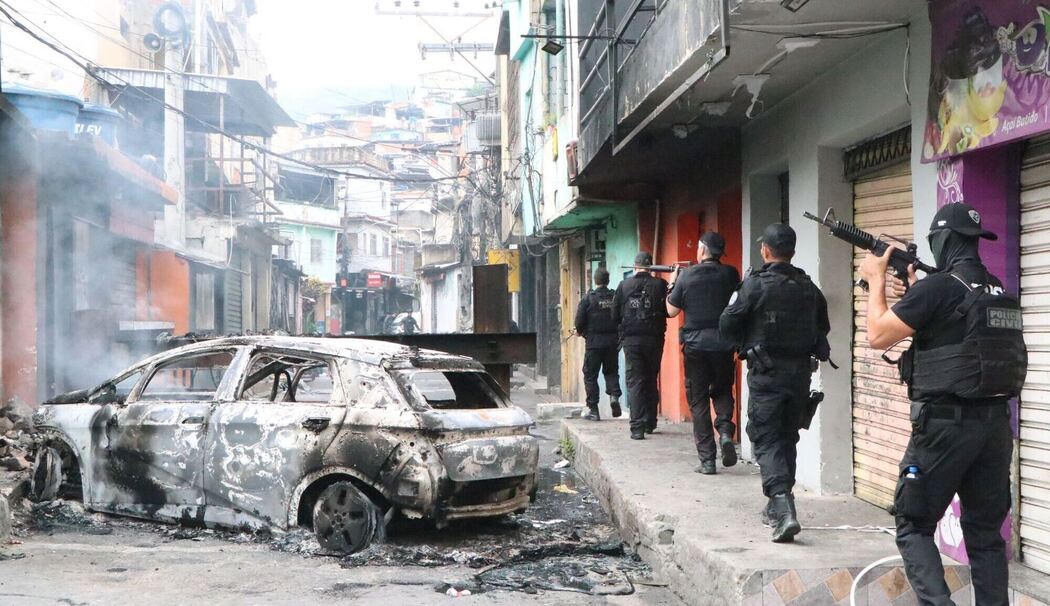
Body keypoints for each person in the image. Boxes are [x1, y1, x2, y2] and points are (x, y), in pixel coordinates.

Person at [859, 203, 1025, 606]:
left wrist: (875, 279)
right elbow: (955, 330)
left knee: (913, 524)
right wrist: (916, 290)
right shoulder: (996, 289)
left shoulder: (938, 289)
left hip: (944, 428)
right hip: (994, 428)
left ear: (941, 240)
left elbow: (878, 335)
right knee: (985, 535)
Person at [719, 224, 830, 543]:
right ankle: (777, 506)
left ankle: (783, 508)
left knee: (766, 439)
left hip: (767, 375)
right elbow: (823, 327)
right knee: (787, 437)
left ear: (765, 250)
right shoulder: (809, 287)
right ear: (792, 251)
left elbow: (727, 325)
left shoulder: (754, 285)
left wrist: (745, 338)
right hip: (799, 376)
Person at [667, 232, 741, 475]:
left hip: (696, 347)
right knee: (723, 390)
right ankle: (726, 431)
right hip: (724, 344)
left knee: (698, 401)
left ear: (701, 250)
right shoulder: (731, 274)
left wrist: (672, 284)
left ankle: (708, 460)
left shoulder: (686, 276)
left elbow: (671, 311)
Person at [613, 251, 669, 440]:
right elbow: (668, 310)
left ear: (635, 266)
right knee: (651, 378)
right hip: (654, 340)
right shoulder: (660, 285)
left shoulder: (624, 285)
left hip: (631, 341)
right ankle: (650, 422)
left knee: (635, 381)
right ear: (651, 266)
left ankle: (637, 428)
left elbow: (614, 314)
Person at [574, 267, 623, 421]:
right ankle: (614, 396)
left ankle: (594, 410)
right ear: (608, 281)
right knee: (611, 372)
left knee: (590, 375)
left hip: (593, 344)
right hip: (612, 343)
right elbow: (621, 317)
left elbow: (579, 322)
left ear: (595, 281)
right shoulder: (615, 297)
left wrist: (580, 331)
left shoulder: (588, 299)